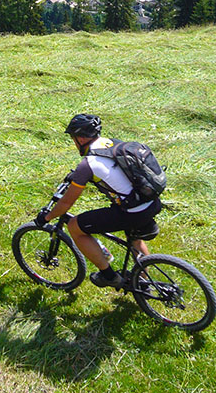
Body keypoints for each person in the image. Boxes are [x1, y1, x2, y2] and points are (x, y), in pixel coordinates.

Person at [35, 113, 162, 288]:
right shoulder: (112, 143)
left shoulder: (87, 164)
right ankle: (143, 280)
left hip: (133, 212)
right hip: (151, 202)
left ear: (80, 138)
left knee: (75, 227)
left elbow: (65, 204)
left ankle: (108, 276)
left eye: (73, 138)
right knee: (134, 238)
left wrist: (46, 218)